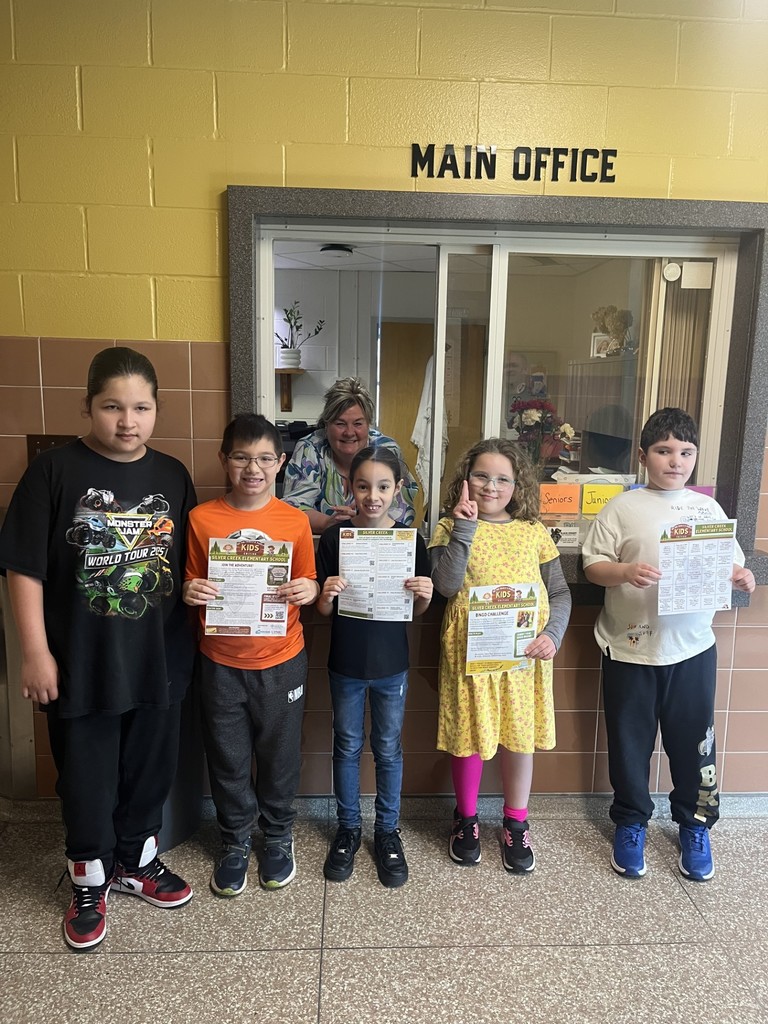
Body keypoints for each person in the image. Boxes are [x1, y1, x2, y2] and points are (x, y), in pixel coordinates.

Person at [0, 346, 196, 952]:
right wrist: (35, 654)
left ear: (157, 411)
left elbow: (182, 562)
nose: (127, 420)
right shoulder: (54, 472)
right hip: (82, 663)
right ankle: (87, 878)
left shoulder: (171, 475)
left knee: (150, 771)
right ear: (88, 406)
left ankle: (136, 862)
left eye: (140, 407)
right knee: (86, 778)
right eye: (112, 406)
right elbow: (23, 569)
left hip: (159, 658)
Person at [582, 408, 755, 881]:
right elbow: (593, 566)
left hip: (692, 648)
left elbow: (732, 565)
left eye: (685, 452)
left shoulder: (707, 509)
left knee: (693, 744)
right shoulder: (622, 507)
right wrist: (624, 572)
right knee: (629, 744)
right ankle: (631, 821)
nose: (675, 461)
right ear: (643, 457)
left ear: (695, 457)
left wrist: (743, 575)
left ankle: (695, 825)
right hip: (629, 648)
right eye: (663, 451)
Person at [184, 413, 319, 897]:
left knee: (279, 756)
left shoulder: (294, 521)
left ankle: (278, 836)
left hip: (282, 658)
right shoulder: (202, 519)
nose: (253, 468)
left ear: (280, 462)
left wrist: (309, 587)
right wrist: (190, 590)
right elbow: (189, 579)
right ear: (224, 460)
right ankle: (236, 839)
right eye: (241, 457)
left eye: (264, 458)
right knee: (228, 756)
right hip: (220, 660)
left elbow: (310, 579)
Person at [429, 438, 571, 873]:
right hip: (470, 659)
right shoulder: (447, 527)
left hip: (523, 659)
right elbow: (446, 586)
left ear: (518, 485)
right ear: (465, 480)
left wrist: (553, 633)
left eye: (503, 479)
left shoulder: (533, 532)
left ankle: (515, 821)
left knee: (518, 736)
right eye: (481, 476)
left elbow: (560, 592)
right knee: (468, 736)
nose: (491, 486)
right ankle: (466, 819)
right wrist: (465, 528)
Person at [316, 447, 433, 888]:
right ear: (350, 486)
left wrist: (423, 592)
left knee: (387, 748)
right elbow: (324, 612)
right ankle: (348, 828)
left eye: (383, 487)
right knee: (346, 745)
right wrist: (326, 593)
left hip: (391, 667)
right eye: (363, 486)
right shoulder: (334, 539)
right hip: (345, 663)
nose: (372, 496)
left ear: (397, 489)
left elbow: (417, 611)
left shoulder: (409, 541)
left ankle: (387, 831)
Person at [282, 376, 418, 533]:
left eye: (358, 424)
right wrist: (328, 523)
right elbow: (292, 509)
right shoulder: (310, 448)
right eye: (340, 424)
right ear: (326, 425)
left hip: (378, 544)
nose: (349, 432)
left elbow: (403, 512)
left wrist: (363, 519)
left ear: (369, 424)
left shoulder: (386, 450)